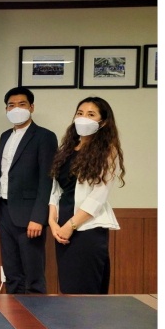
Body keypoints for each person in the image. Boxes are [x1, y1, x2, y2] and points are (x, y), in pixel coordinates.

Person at [48, 96, 125, 294]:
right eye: (80, 113)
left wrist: (71, 225)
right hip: (62, 225)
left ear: (103, 122)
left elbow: (99, 196)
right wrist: (52, 221)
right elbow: (56, 189)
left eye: (91, 115)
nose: (83, 118)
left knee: (85, 293)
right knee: (68, 289)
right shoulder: (66, 150)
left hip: (87, 227)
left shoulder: (107, 152)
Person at [0, 87, 58, 294]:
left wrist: (38, 218)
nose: (16, 109)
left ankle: (36, 313)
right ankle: (13, 312)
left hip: (30, 215)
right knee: (12, 271)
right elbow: (1, 174)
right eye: (11, 105)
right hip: (4, 210)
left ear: (31, 107)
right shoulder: (5, 136)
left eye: (22, 104)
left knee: (33, 273)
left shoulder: (45, 136)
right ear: (6, 109)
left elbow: (47, 179)